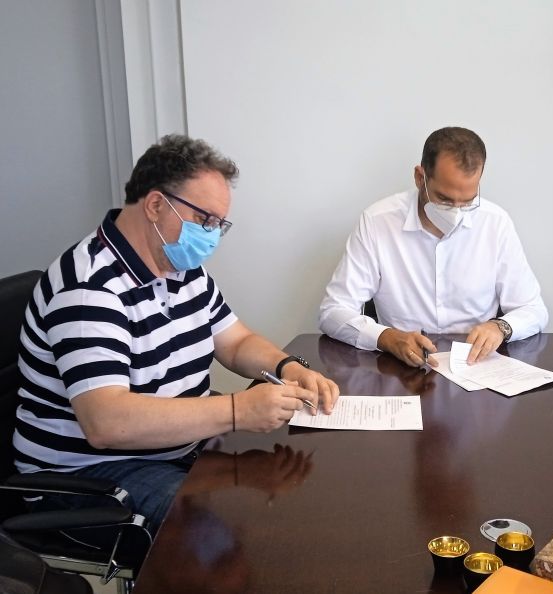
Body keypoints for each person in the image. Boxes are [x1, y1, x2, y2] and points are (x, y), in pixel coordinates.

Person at [13, 134, 339, 533]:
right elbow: (107, 423)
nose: (212, 235)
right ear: (155, 205)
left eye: (219, 225)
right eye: (205, 220)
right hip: (90, 473)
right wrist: (238, 411)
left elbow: (236, 342)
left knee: (280, 493)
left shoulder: (182, 270)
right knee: (218, 527)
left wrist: (288, 366)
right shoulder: (89, 289)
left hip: (172, 449)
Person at [319, 126, 548, 367]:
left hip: (475, 366)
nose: (456, 213)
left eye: (467, 202)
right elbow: (333, 311)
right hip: (402, 367)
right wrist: (387, 337)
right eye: (444, 200)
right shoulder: (378, 222)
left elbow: (533, 308)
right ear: (420, 178)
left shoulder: (495, 223)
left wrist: (501, 327)